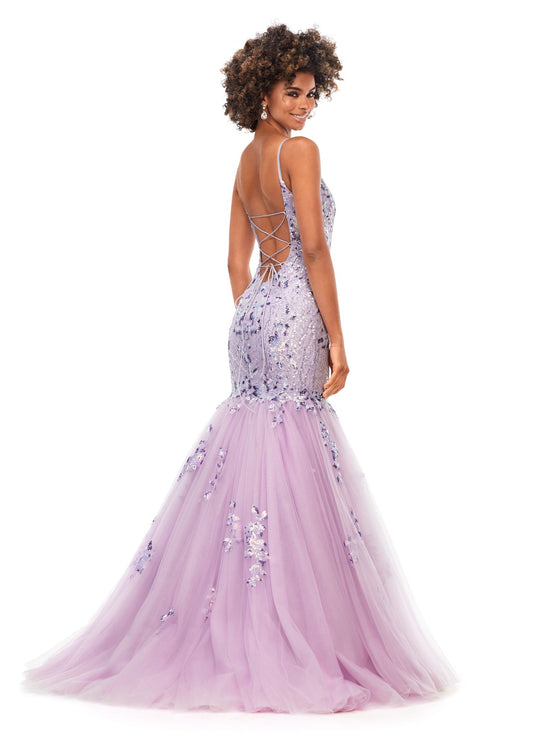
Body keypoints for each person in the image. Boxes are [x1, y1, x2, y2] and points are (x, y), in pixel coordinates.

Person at [21, 23, 459, 713]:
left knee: (253, 447)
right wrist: (337, 338)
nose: (304, 106)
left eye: (311, 95)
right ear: (261, 90)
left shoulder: (246, 157)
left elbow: (235, 261)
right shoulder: (299, 152)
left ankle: (238, 623)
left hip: (252, 315)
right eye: (292, 92)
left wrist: (257, 313)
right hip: (296, 311)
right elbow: (313, 249)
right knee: (294, 447)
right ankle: (287, 635)